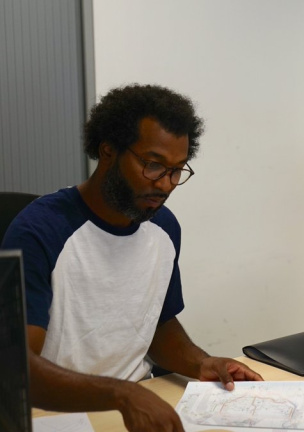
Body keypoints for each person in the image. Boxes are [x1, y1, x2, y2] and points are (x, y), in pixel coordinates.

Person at [1, 84, 262, 432]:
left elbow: (157, 324)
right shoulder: (40, 231)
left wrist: (202, 363)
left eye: (177, 170)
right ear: (108, 151)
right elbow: (17, 367)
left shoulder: (163, 228)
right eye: (153, 165)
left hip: (137, 402)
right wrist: (121, 394)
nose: (166, 184)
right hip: (56, 415)